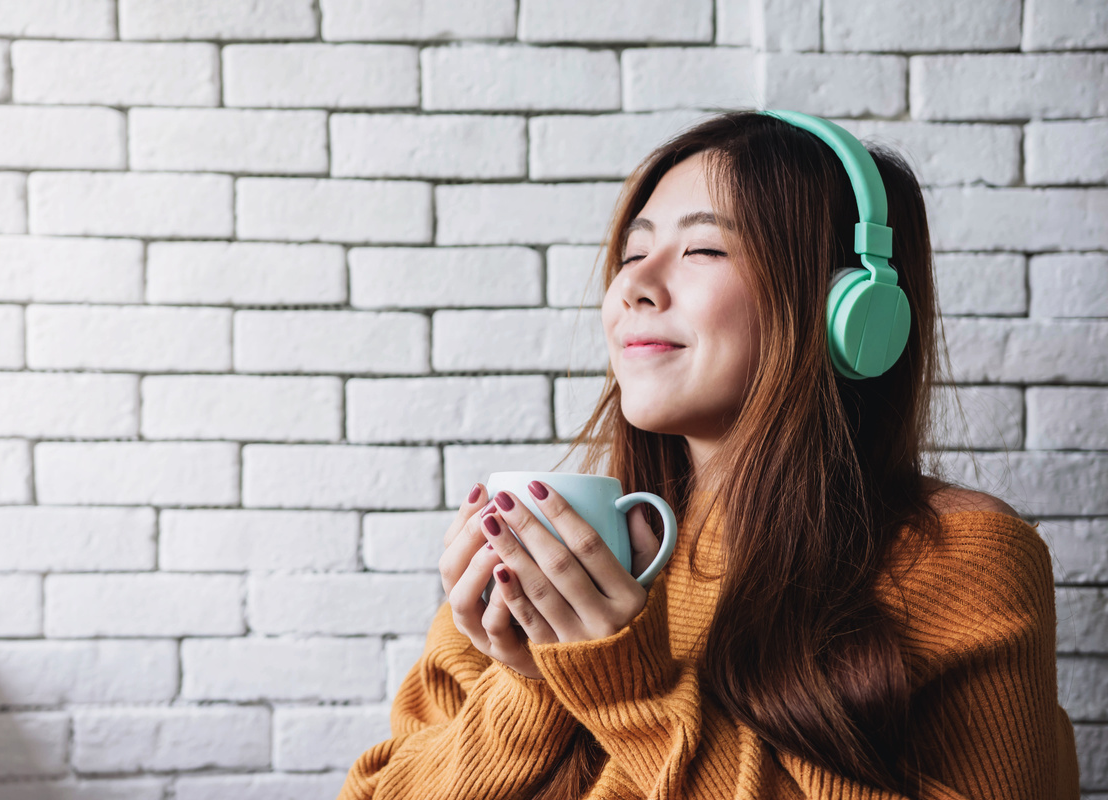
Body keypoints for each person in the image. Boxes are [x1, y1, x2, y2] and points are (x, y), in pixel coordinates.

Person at [336, 109, 1081, 799]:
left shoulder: (963, 559)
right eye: (632, 253)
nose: (634, 285)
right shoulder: (567, 555)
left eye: (701, 248)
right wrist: (532, 687)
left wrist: (627, 691)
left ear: (848, 310)